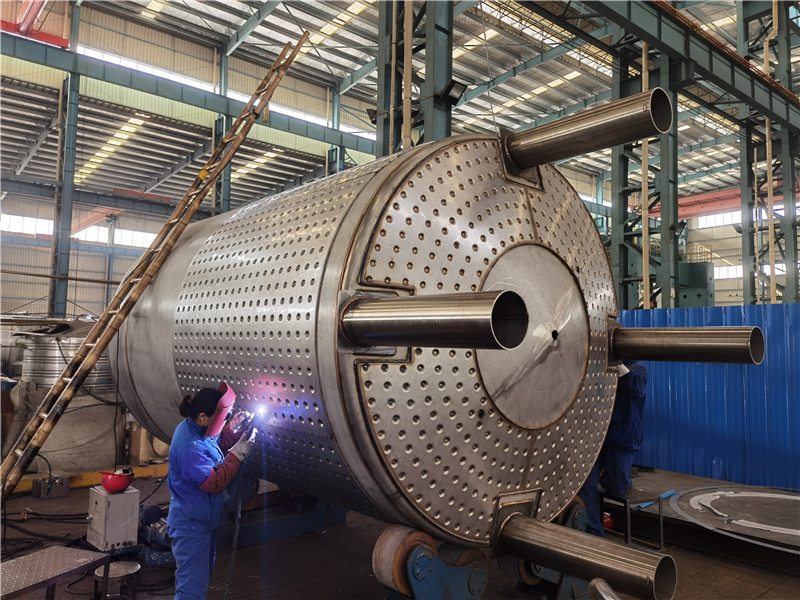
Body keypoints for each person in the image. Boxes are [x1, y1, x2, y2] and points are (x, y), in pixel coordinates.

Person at [167, 384, 257, 599]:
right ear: (203, 417)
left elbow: (214, 443)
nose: (224, 420)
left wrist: (232, 428)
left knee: (199, 580)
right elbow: (214, 482)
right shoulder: (189, 447)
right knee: (191, 591)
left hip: (202, 522)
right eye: (222, 418)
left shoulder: (194, 428)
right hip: (191, 527)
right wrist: (238, 454)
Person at [578, 360, 649, 537]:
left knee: (617, 486)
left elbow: (636, 387)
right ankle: (594, 533)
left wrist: (617, 365)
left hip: (622, 437)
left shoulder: (638, 369)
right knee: (586, 484)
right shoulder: (598, 369)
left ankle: (619, 480)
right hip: (597, 437)